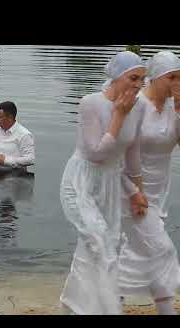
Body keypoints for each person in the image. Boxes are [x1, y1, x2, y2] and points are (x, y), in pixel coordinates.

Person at [59, 51, 148, 314]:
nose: (138, 85)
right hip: (81, 183)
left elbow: (132, 154)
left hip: (112, 184)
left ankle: (75, 305)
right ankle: (105, 308)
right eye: (133, 78)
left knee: (106, 245)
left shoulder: (139, 106)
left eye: (142, 80)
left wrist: (137, 193)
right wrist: (119, 115)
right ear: (117, 77)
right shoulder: (90, 103)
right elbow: (96, 154)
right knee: (97, 241)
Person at [118, 51, 180, 315]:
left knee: (130, 255)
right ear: (154, 78)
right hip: (128, 192)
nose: (177, 83)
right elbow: (117, 156)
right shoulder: (136, 105)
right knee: (162, 251)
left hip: (158, 195)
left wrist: (179, 111)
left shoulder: (172, 108)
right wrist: (133, 193)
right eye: (172, 77)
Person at [0, 101, 35, 171]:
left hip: (16, 176)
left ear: (10, 117)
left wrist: (6, 160)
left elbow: (30, 159)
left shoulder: (25, 134)